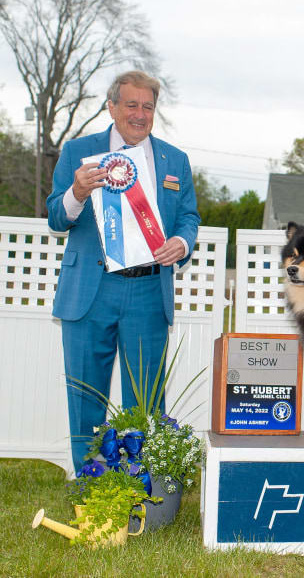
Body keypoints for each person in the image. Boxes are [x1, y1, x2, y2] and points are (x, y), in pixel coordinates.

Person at [47, 70, 200, 473]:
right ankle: (88, 480)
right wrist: (77, 192)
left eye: (148, 106)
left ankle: (142, 483)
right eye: (131, 105)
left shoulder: (175, 160)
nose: (140, 114)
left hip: (149, 292)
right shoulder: (79, 152)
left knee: (146, 399)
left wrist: (181, 243)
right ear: (111, 106)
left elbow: (188, 217)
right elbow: (55, 217)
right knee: (85, 393)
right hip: (90, 292)